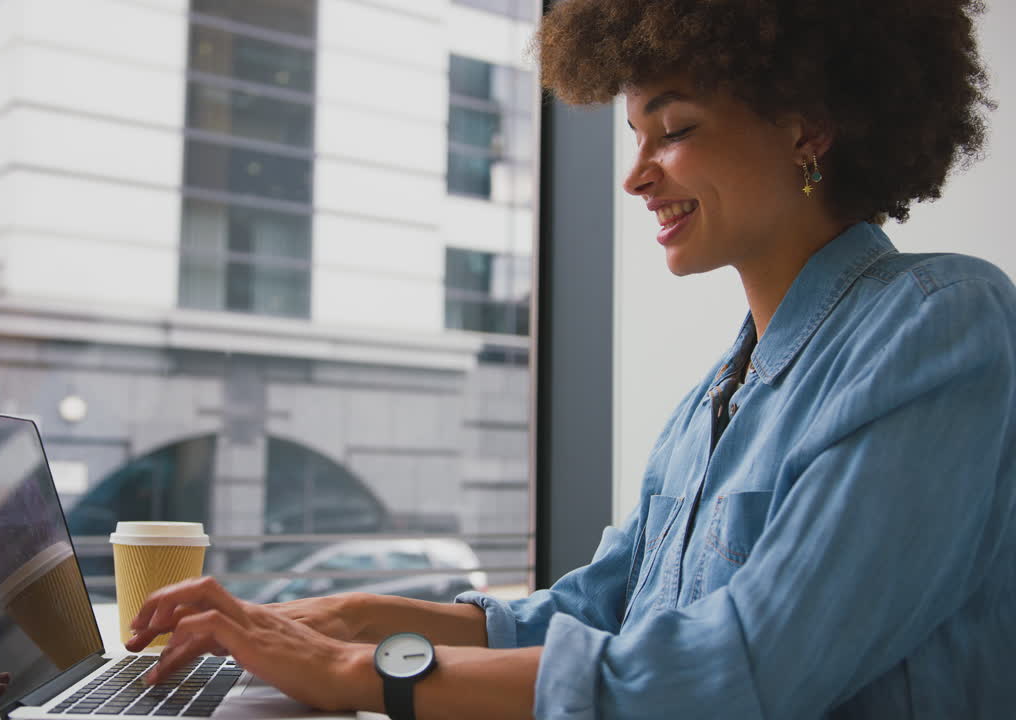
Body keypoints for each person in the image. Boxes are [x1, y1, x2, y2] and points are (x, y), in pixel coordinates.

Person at [125, 1, 1016, 717]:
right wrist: (340, 618)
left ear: (807, 127)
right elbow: (596, 613)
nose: (636, 176)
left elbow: (747, 666)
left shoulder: (940, 326)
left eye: (671, 129)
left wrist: (363, 671)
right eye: (635, 136)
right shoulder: (719, 394)